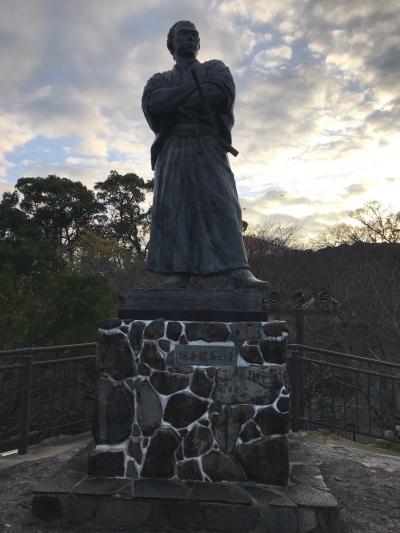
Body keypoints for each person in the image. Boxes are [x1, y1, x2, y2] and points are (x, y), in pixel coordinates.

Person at [142, 20, 269, 289]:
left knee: (221, 202)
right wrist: (194, 88)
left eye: (195, 35)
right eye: (184, 34)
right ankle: (177, 272)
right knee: (174, 206)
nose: (191, 38)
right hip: (173, 147)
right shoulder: (159, 79)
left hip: (207, 144)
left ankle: (237, 270)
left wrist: (176, 100)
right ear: (171, 43)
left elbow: (216, 95)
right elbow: (155, 103)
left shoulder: (215, 68)